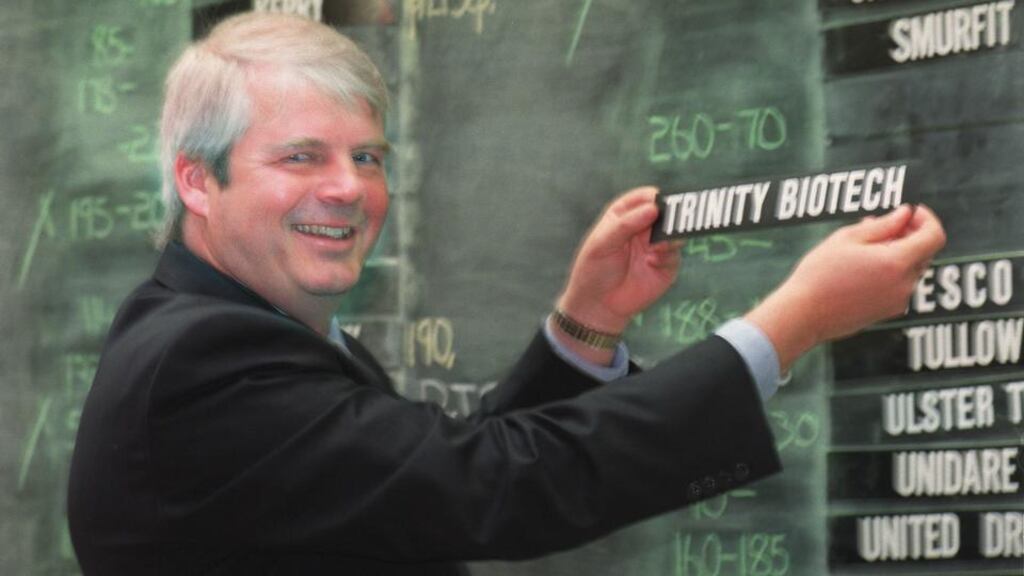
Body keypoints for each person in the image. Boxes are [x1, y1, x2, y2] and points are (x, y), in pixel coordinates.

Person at [66, 12, 946, 576]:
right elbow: (492, 487)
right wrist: (792, 324)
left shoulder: (236, 329)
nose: (348, 189)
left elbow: (435, 483)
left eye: (366, 157)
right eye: (301, 157)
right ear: (198, 180)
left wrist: (588, 322)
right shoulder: (207, 362)